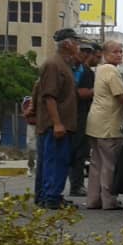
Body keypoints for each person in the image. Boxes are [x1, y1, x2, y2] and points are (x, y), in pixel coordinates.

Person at [34, 29, 81, 209]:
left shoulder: (64, 64)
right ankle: (51, 196)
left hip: (62, 123)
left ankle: (49, 195)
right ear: (67, 44)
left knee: (56, 160)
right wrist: (57, 123)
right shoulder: (54, 65)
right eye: (76, 42)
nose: (78, 46)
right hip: (55, 124)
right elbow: (49, 96)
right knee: (55, 161)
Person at [85, 40, 123, 210]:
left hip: (95, 121)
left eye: (120, 52)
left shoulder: (100, 69)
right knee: (109, 164)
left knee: (96, 164)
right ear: (105, 53)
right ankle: (109, 200)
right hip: (109, 124)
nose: (119, 55)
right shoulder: (111, 70)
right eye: (115, 52)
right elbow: (121, 96)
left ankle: (93, 199)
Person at [68, 40, 98, 197]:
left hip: (81, 115)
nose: (87, 55)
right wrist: (98, 91)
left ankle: (76, 184)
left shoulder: (82, 70)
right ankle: (76, 185)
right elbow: (81, 92)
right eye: (83, 51)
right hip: (77, 116)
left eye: (89, 52)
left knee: (80, 152)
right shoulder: (84, 72)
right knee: (77, 152)